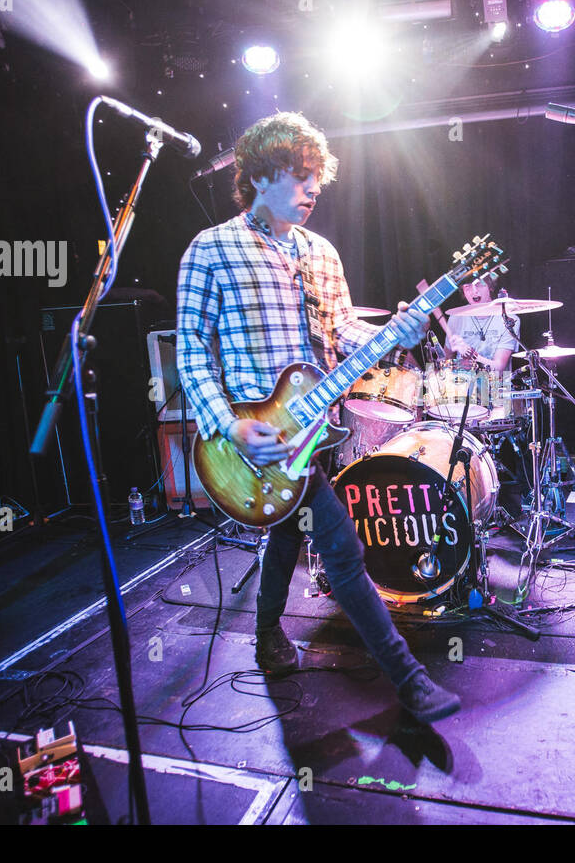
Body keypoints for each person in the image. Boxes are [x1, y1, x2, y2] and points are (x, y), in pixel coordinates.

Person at [176, 111, 460, 723]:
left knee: (282, 535)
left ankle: (265, 634)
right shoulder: (211, 250)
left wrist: (394, 332)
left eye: (317, 180)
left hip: (316, 434)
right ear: (259, 174)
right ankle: (407, 679)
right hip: (252, 442)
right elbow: (191, 353)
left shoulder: (320, 254)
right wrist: (230, 426)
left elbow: (342, 332)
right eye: (301, 176)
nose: (312, 190)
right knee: (339, 543)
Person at [444, 272, 520, 372]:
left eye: (479, 284)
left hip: (497, 384)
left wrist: (471, 355)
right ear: (463, 291)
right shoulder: (456, 317)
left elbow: (499, 368)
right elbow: (446, 361)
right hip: (463, 383)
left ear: (490, 287)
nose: (474, 291)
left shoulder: (510, 320)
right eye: (468, 287)